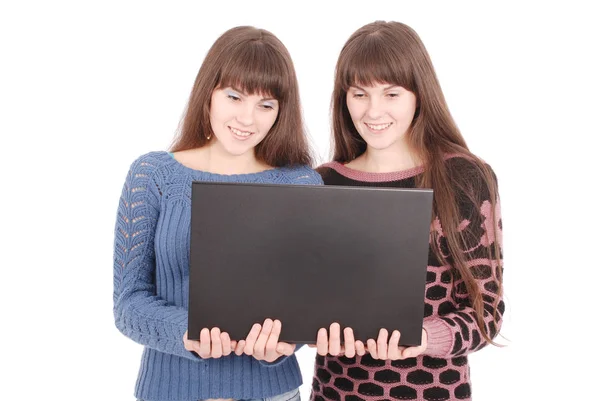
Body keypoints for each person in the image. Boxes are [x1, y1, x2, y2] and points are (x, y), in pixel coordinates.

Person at [113, 26, 322, 401]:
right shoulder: (154, 175)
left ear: (281, 112)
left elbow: (307, 305)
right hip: (170, 392)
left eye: (266, 104)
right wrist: (189, 331)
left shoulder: (301, 183)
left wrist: (285, 344)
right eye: (234, 96)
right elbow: (128, 303)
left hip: (272, 394)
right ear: (208, 93)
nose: (247, 118)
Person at [310, 21, 504, 401]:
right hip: (335, 392)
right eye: (359, 94)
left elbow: (487, 315)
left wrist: (424, 337)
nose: (373, 110)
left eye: (391, 93)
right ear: (343, 98)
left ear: (419, 94)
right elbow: (298, 300)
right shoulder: (322, 184)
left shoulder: (465, 177)